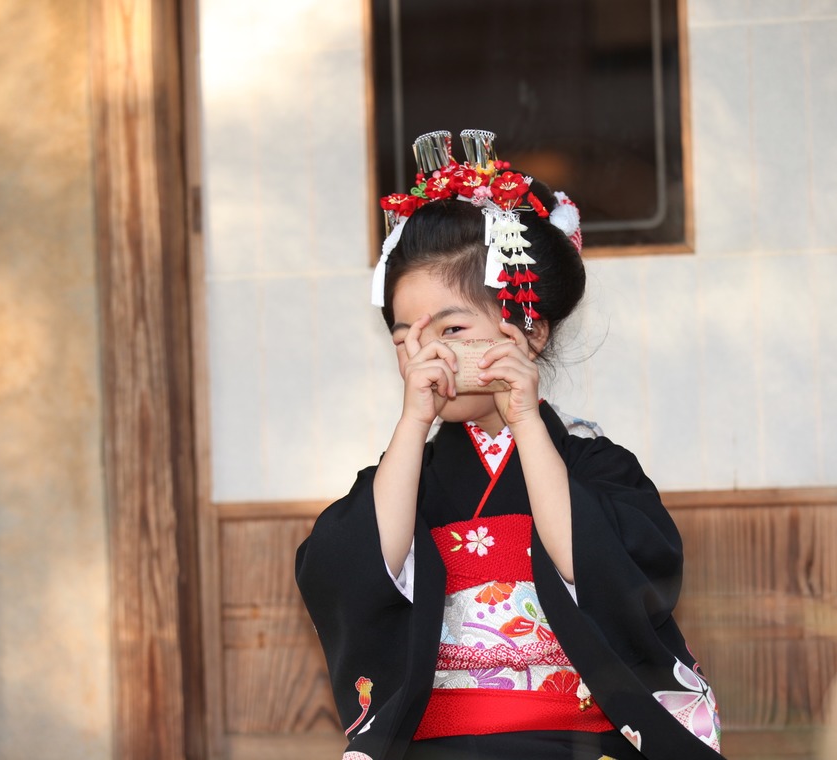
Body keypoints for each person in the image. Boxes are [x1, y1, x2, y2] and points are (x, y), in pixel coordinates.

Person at [295, 130, 723, 760]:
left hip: (578, 740)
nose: (425, 354)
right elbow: (351, 575)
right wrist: (412, 426)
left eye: (451, 327)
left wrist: (526, 424)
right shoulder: (409, 473)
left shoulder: (595, 464)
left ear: (532, 329)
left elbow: (609, 571)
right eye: (402, 338)